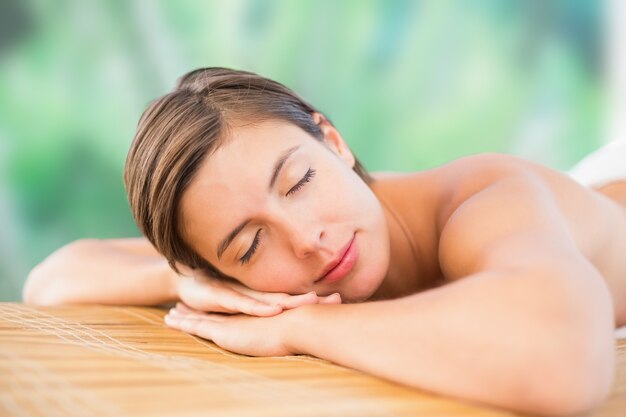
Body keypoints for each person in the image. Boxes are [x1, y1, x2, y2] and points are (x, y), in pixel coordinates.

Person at [23, 67, 626, 416]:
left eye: (300, 180)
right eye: (249, 247)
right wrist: (184, 280)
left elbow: (563, 358)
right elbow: (52, 278)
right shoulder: (225, 261)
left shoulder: (484, 199)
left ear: (333, 143)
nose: (307, 240)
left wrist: (298, 327)